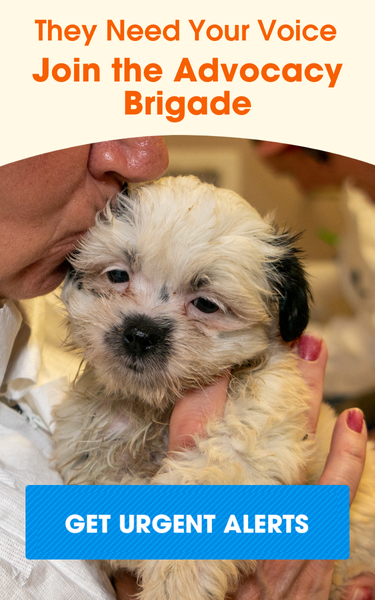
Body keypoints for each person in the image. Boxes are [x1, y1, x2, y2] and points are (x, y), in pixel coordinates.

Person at [0, 138, 373, 600]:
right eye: (118, 278)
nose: (141, 327)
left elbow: (178, 554)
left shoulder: (259, 400)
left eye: (203, 304)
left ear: (279, 318)